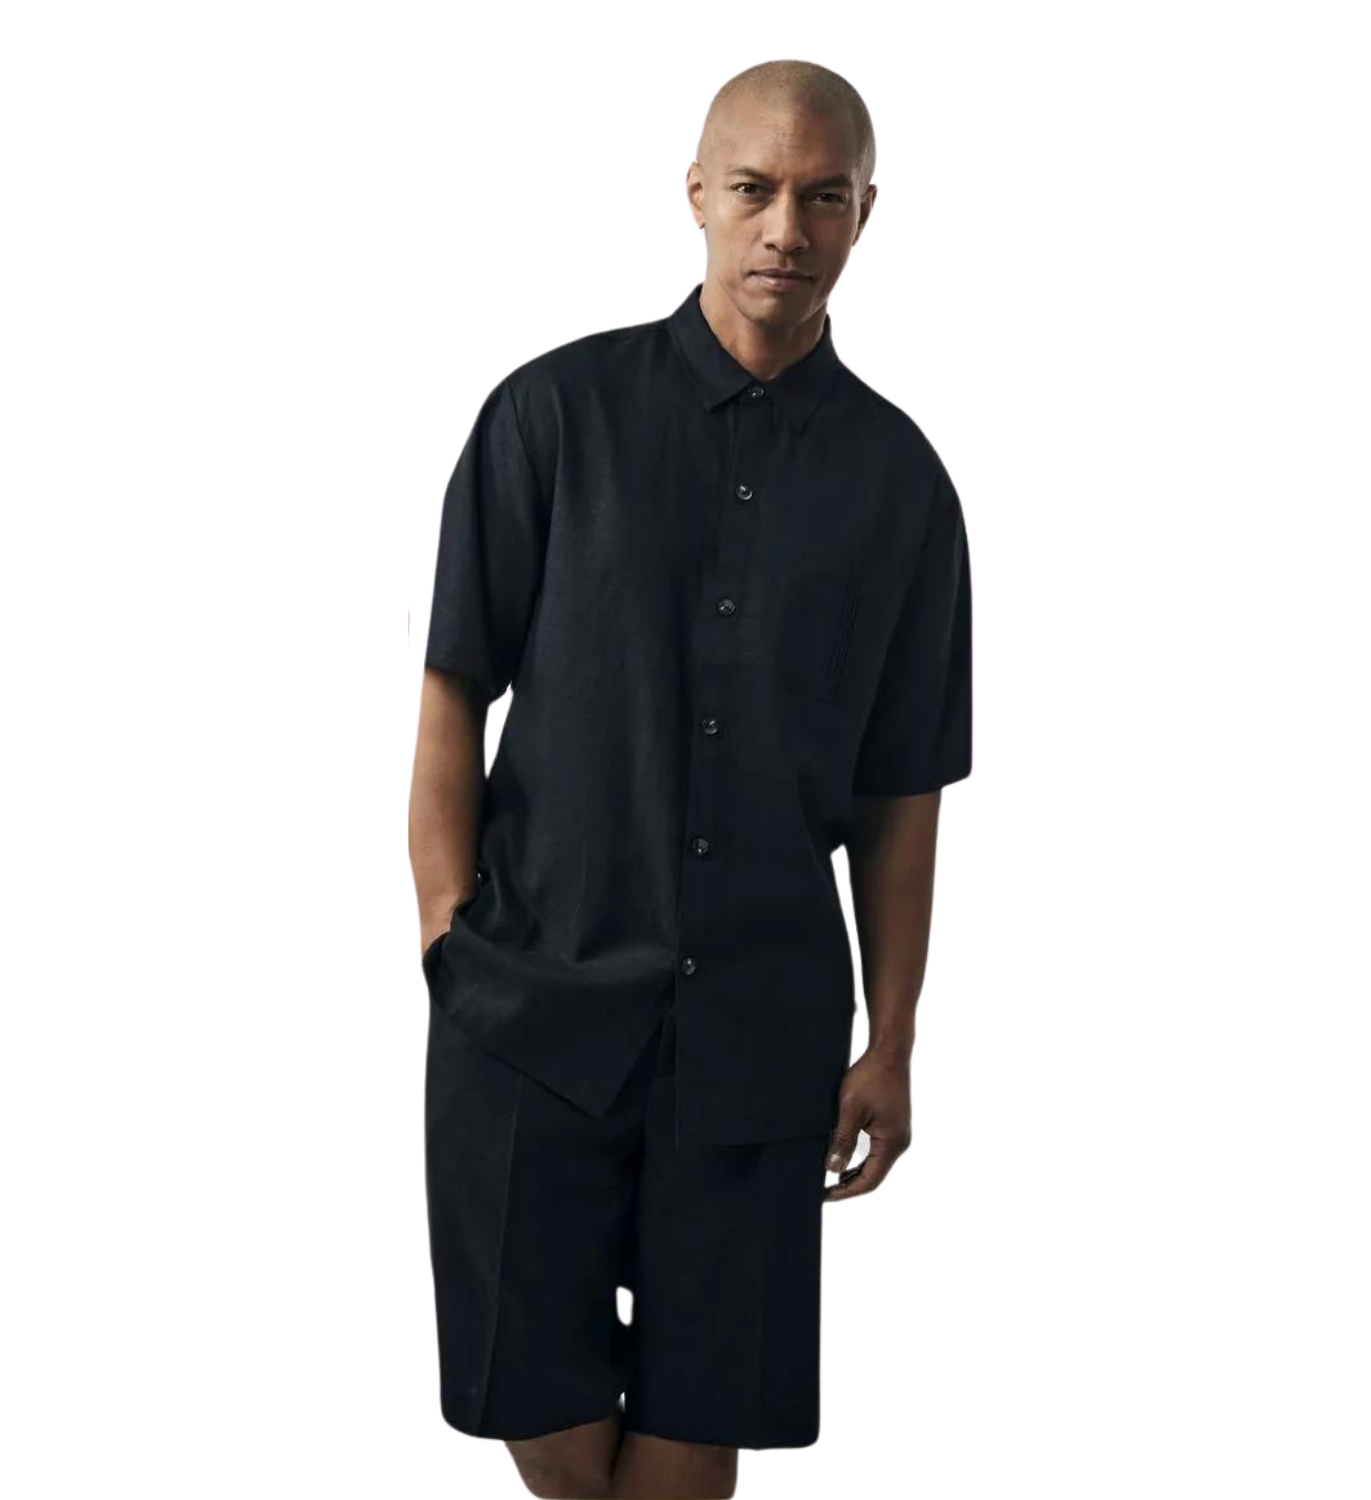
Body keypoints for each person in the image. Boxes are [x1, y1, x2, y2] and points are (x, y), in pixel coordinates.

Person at [410, 57, 972, 1499]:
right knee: (527, 1405)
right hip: (531, 1006)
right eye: (756, 190)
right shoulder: (549, 412)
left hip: (762, 1035)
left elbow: (905, 795)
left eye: (824, 197)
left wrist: (893, 1044)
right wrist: (446, 936)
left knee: (698, 1440)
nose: (787, 228)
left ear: (867, 213)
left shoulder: (903, 483)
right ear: (695, 195)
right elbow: (453, 688)